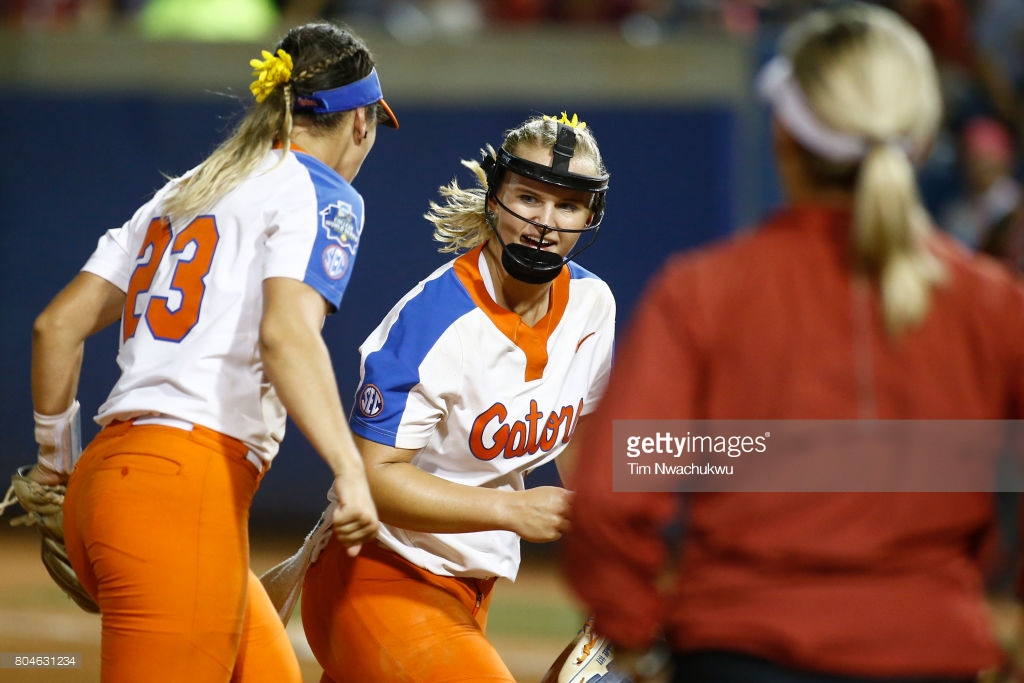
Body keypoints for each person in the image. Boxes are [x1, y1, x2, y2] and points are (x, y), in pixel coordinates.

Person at [563, 4, 1024, 683]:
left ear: (783, 131)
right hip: (932, 650)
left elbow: (610, 495)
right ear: (923, 139)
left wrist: (632, 634)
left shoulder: (703, 293)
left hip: (736, 654)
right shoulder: (993, 304)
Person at [25, 20, 395, 682]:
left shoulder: (183, 190)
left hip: (108, 482)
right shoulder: (321, 191)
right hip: (177, 488)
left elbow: (56, 327)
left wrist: (55, 465)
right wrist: (349, 467)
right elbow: (285, 335)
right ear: (360, 122)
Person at [298, 112, 614, 682]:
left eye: (567, 205)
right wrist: (510, 509)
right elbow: (370, 477)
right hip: (380, 573)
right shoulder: (436, 320)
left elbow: (581, 437)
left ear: (590, 215)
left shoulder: (593, 304)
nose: (545, 222)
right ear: (495, 199)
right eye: (529, 197)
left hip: (468, 588)